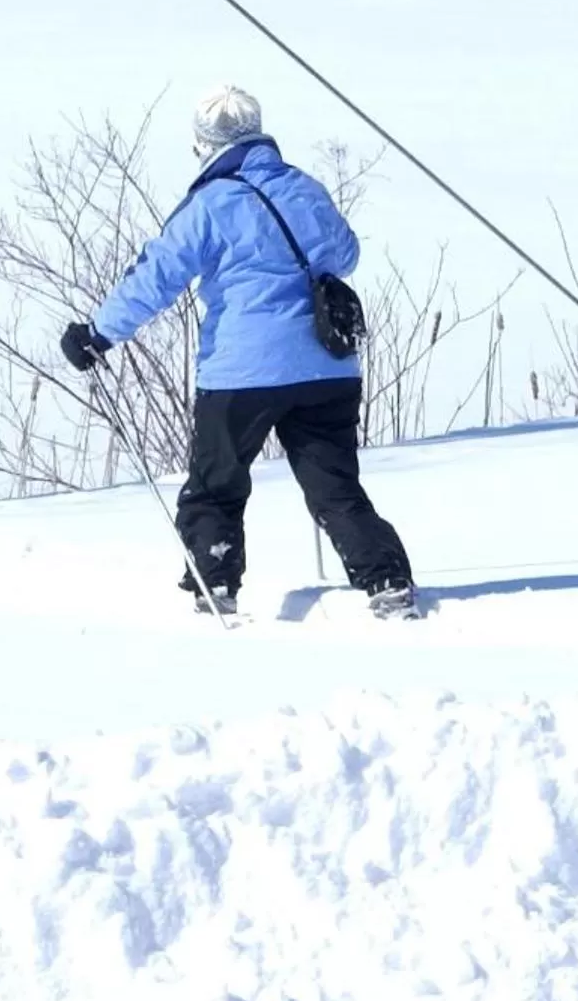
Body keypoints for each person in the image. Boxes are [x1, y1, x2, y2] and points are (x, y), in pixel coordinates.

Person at [61, 85, 418, 619]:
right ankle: (386, 580)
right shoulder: (305, 188)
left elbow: (157, 277)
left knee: (216, 486)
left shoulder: (208, 205)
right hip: (326, 367)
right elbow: (345, 256)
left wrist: (98, 334)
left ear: (204, 144)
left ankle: (216, 585)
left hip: (241, 373)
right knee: (335, 488)